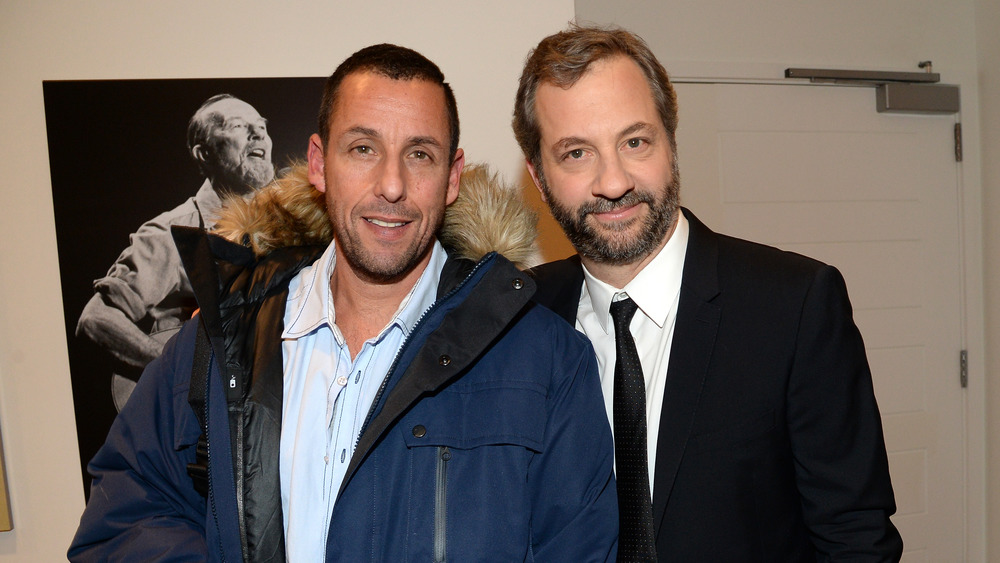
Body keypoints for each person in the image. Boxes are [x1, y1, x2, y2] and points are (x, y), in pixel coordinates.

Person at [69, 44, 618, 562]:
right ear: (318, 163)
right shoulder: (218, 340)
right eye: (363, 149)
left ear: (451, 177)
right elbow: (122, 517)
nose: (392, 185)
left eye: (420, 154)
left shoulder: (547, 361)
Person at [515, 25, 904, 561]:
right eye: (577, 153)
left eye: (635, 141)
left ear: (671, 142)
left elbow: (855, 538)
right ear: (538, 176)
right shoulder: (518, 314)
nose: (613, 181)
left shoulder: (793, 307)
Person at [76, 93, 275, 410]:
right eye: (239, 126)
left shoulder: (286, 230)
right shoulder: (172, 233)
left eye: (262, 127)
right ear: (204, 153)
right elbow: (97, 319)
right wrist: (182, 374)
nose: (258, 134)